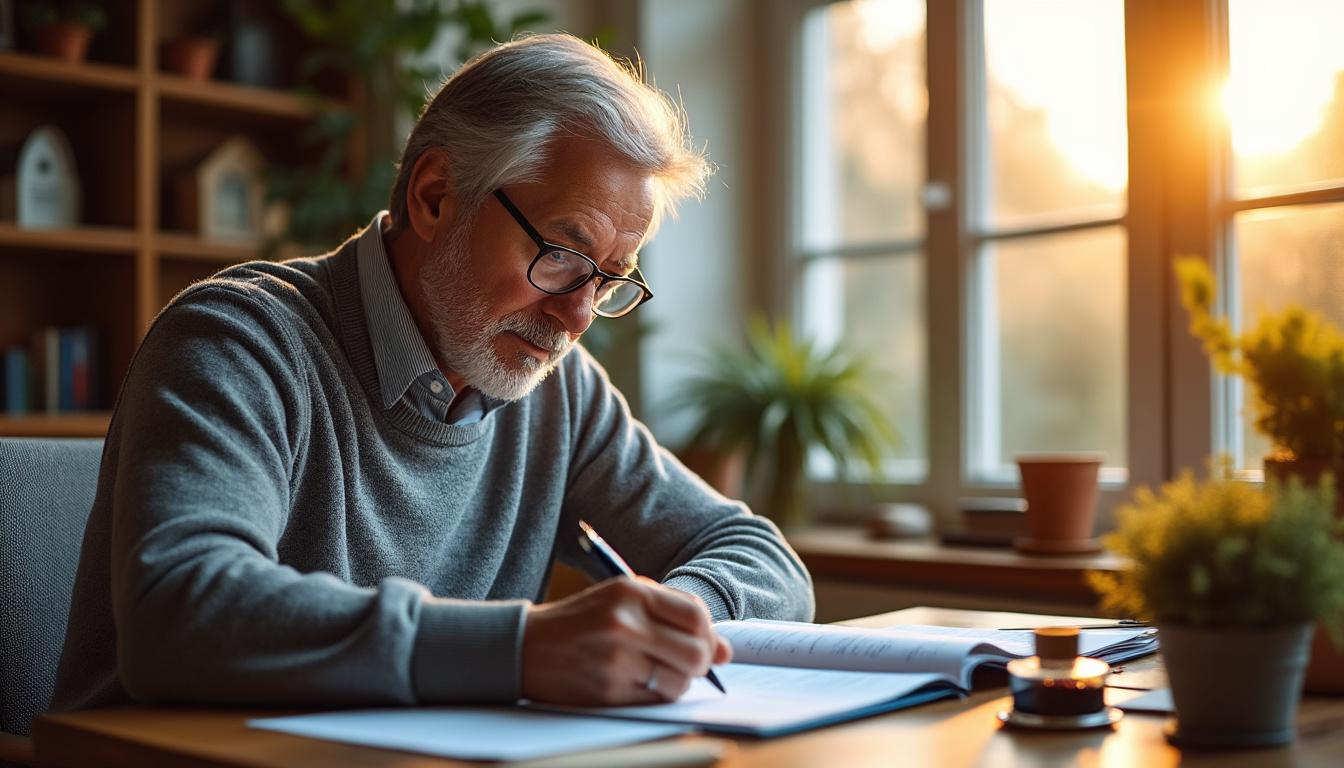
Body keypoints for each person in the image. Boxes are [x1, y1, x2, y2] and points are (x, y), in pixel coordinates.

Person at [52, 33, 813, 713]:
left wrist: (675, 621)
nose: (579, 316)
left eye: (609, 279)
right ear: (435, 196)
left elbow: (766, 562)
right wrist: (521, 650)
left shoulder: (559, 390)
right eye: (560, 255)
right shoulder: (239, 340)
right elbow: (180, 614)